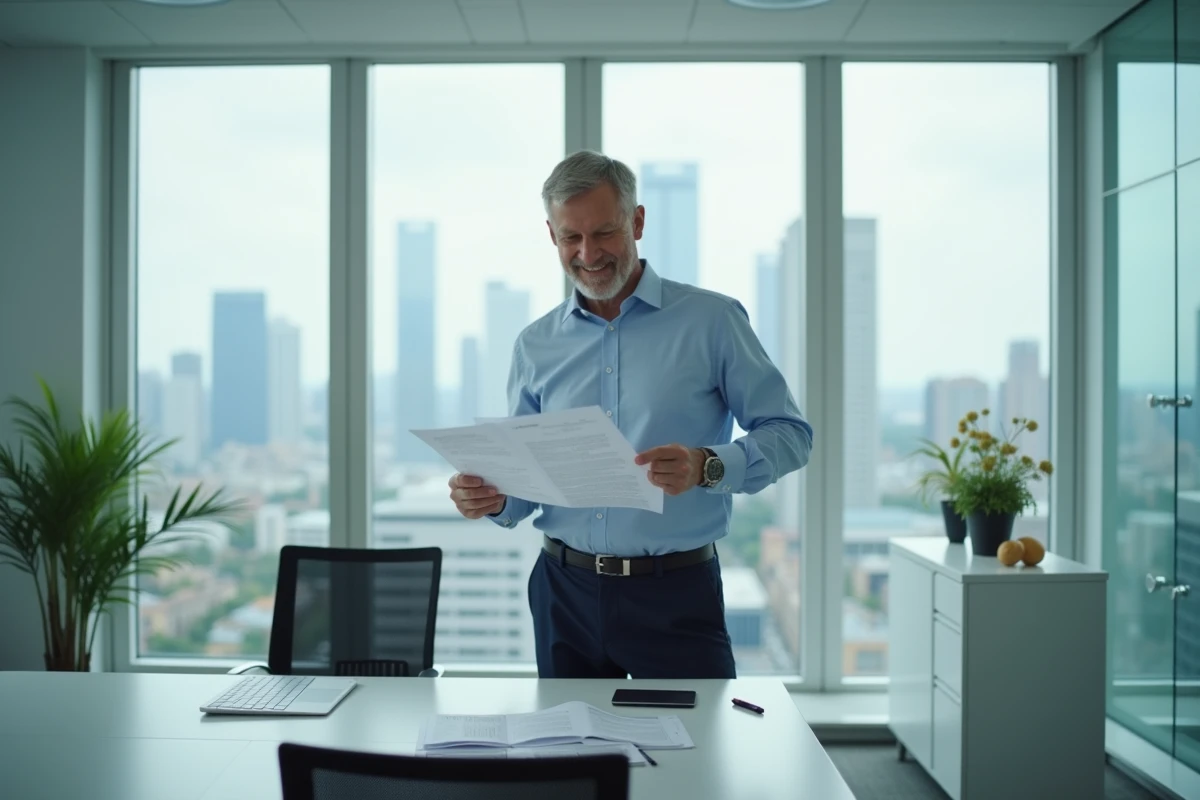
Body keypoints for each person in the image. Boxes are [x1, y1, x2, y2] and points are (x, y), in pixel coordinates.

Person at [448, 150, 813, 679]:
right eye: (571, 237)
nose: (588, 253)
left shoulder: (711, 321)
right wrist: (493, 495)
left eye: (604, 232)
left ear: (637, 221)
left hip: (675, 594)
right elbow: (528, 477)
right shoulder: (535, 345)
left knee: (696, 755)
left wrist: (709, 465)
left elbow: (791, 434)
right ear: (552, 236)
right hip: (562, 591)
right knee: (570, 758)